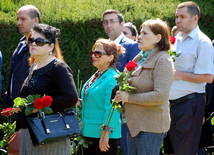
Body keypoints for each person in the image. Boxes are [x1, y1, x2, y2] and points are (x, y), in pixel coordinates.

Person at [14, 24, 78, 154]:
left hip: (50, 135)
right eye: (31, 40)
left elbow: (71, 98)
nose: (33, 44)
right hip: (29, 134)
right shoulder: (33, 67)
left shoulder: (58, 67)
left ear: (51, 46)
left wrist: (40, 106)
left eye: (39, 41)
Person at [114, 18, 174, 155]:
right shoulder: (140, 58)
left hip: (150, 127)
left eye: (145, 34)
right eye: (140, 33)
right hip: (134, 125)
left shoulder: (163, 60)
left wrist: (129, 98)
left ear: (158, 38)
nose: (139, 37)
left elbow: (161, 96)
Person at [168, 2, 214, 155]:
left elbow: (208, 77)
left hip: (190, 103)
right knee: (176, 151)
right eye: (176, 17)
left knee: (184, 152)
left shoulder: (203, 42)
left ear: (195, 18)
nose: (177, 21)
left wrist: (178, 74)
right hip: (172, 105)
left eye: (182, 17)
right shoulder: (175, 40)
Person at [102, 9, 140, 155]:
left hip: (123, 112)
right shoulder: (102, 47)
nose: (108, 25)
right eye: (105, 22)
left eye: (112, 21)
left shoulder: (132, 46)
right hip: (105, 109)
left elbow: (135, 79)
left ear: (122, 24)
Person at [78, 39, 123, 155]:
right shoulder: (97, 75)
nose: (94, 55)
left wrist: (105, 133)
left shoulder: (113, 78)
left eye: (98, 53)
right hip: (88, 133)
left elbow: (113, 109)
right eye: (93, 53)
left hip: (103, 136)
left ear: (110, 57)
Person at [3, 5, 40, 122]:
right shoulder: (22, 43)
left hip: (30, 113)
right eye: (17, 19)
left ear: (35, 21)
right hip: (16, 110)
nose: (19, 22)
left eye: (23, 19)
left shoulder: (41, 46)